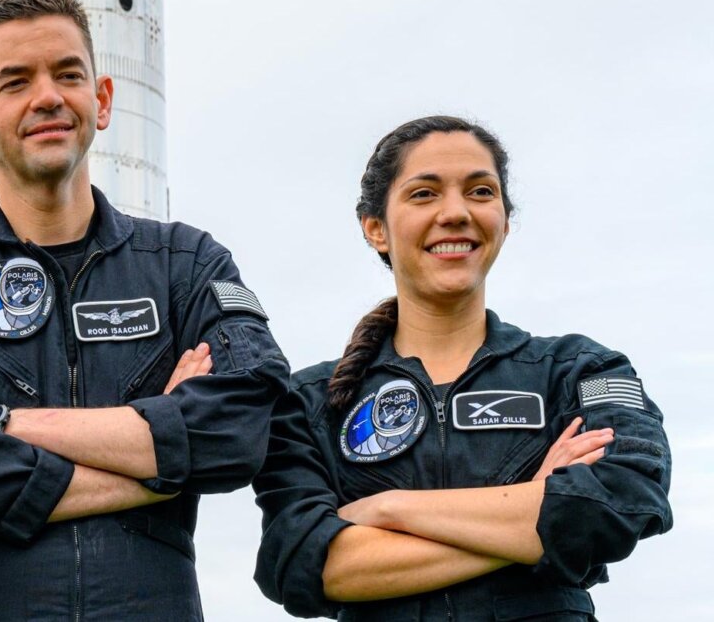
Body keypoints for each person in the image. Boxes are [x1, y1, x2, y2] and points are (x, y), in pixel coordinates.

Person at [0, 0, 289, 621]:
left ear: (102, 98)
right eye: (15, 82)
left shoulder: (185, 263)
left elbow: (237, 432)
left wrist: (8, 426)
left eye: (68, 74)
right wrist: (158, 463)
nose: (48, 97)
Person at [252, 115, 672, 619]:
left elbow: (619, 503)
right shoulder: (308, 402)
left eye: (480, 191)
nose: (455, 212)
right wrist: (532, 508)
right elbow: (306, 564)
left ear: (505, 221)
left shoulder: (582, 371)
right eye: (424, 194)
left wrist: (388, 509)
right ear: (376, 229)